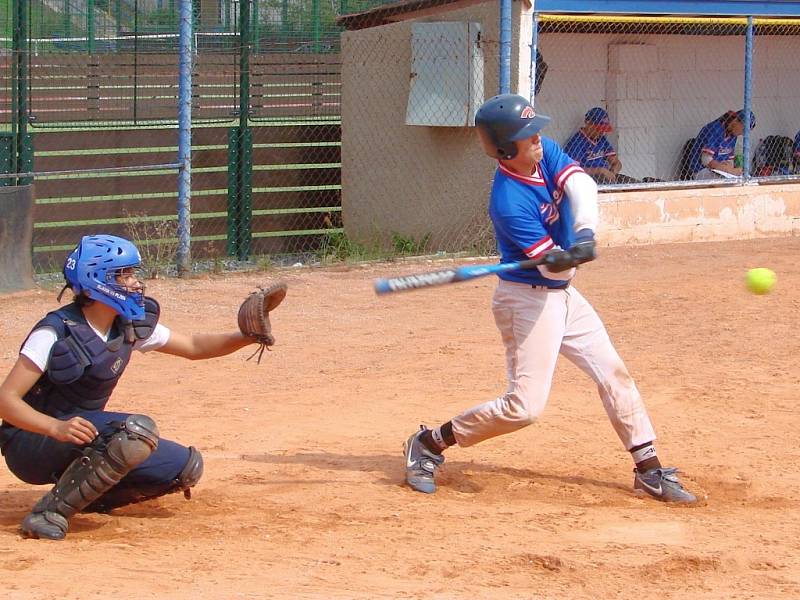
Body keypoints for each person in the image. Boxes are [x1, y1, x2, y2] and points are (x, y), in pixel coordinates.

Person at [402, 94, 696, 504]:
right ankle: (430, 443)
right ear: (506, 148)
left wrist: (585, 233)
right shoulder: (509, 202)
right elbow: (552, 269)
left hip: (563, 297)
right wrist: (568, 257)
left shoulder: (544, 154)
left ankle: (648, 469)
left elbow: (582, 184)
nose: (538, 137)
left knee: (613, 373)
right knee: (524, 408)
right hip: (527, 301)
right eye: (527, 134)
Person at [0, 234, 263, 540]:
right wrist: (55, 428)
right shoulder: (55, 331)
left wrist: (247, 336)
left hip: (84, 435)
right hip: (32, 443)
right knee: (136, 431)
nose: (135, 283)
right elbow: (6, 399)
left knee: (184, 467)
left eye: (132, 274)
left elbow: (193, 345)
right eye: (123, 275)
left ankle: (87, 496)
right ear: (95, 281)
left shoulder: (127, 325)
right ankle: (49, 512)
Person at [563, 107, 638, 185]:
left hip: (607, 176)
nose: (602, 132)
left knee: (636, 185)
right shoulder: (576, 142)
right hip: (589, 180)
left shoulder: (602, 139)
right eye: (599, 129)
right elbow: (572, 170)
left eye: (604, 129)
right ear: (588, 123)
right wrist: (600, 171)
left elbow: (616, 162)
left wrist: (613, 171)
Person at [687, 109, 756, 180]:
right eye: (744, 129)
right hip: (701, 170)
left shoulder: (733, 134)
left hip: (719, 171)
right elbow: (706, 160)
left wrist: (731, 168)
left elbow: (729, 159)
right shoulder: (715, 129)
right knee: (729, 181)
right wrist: (729, 170)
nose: (743, 133)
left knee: (745, 179)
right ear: (736, 121)